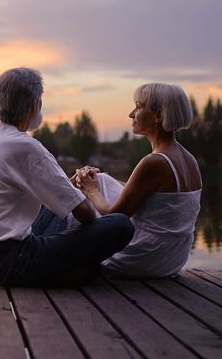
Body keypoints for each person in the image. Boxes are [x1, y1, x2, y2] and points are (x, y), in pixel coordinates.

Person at [0, 67, 135, 287]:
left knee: (55, 208)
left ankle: (70, 268)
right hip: (11, 261)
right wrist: (88, 193)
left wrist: (67, 189)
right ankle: (73, 270)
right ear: (34, 105)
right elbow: (86, 215)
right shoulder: (25, 146)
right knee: (120, 225)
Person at [73, 82, 202, 279]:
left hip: (144, 259)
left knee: (79, 196)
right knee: (104, 179)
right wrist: (98, 182)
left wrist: (91, 190)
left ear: (158, 116)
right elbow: (158, 200)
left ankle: (40, 252)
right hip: (172, 259)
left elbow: (114, 216)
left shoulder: (154, 162)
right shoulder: (188, 159)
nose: (131, 114)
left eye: (138, 106)